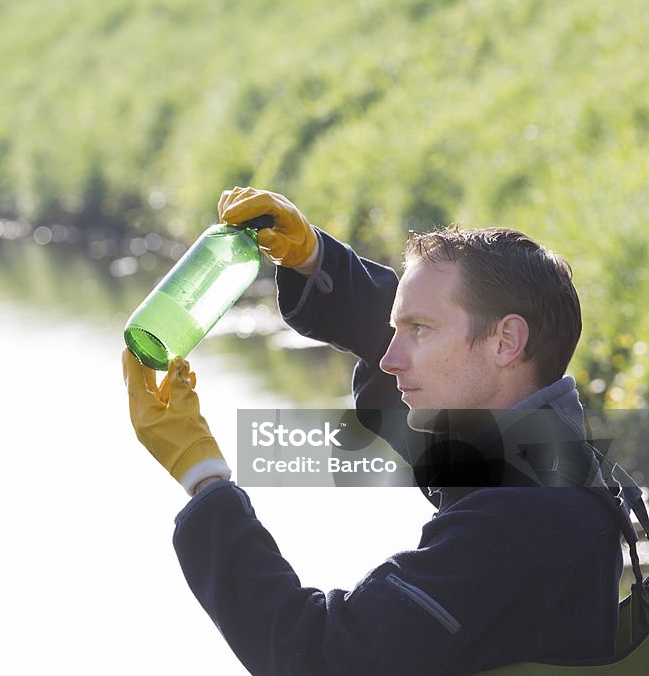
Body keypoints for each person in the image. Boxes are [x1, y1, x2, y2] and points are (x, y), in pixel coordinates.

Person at [122, 187, 640, 675]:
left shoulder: (514, 523)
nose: (390, 358)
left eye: (419, 331)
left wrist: (204, 477)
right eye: (397, 329)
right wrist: (316, 261)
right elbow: (411, 390)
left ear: (506, 342)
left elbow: (318, 656)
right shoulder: (555, 454)